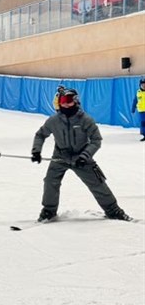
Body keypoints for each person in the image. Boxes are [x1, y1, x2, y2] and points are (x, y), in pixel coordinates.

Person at [31, 88, 131, 222]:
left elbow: (96, 140)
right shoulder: (54, 120)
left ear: (75, 101)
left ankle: (113, 210)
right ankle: (49, 211)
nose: (65, 104)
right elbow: (41, 134)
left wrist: (85, 156)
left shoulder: (85, 120)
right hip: (60, 157)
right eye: (62, 101)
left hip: (81, 158)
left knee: (97, 183)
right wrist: (36, 151)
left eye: (68, 101)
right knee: (50, 181)